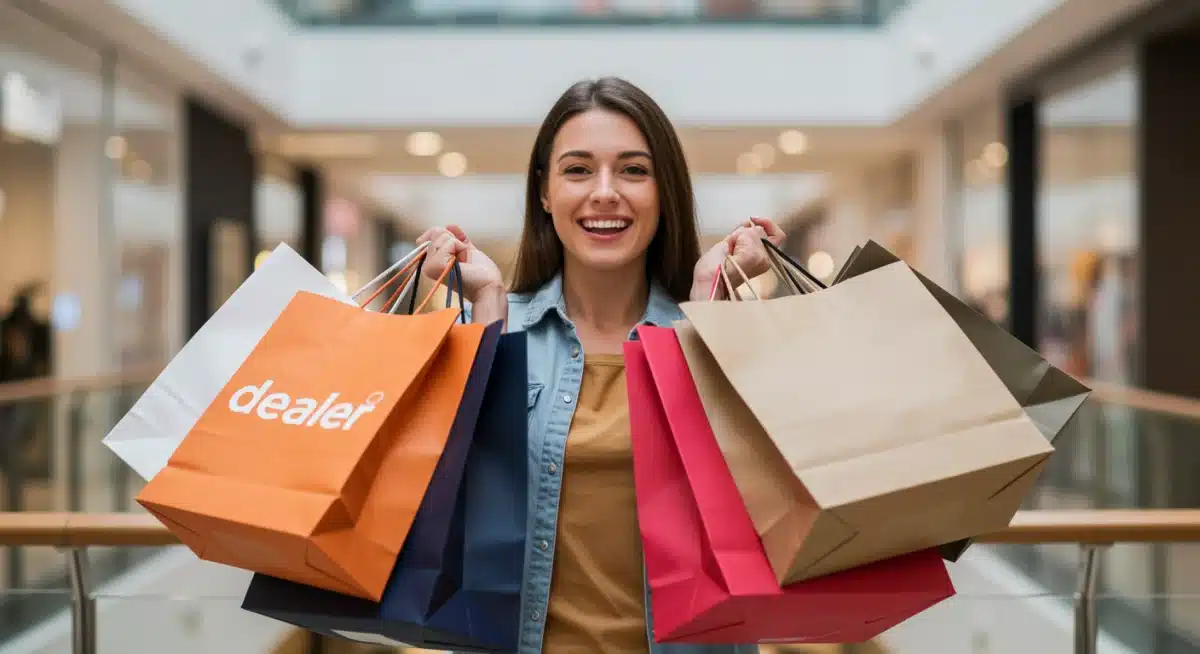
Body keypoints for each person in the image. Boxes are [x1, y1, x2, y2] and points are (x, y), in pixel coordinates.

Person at [416, 77, 784, 654]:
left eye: (634, 170)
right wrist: (487, 308)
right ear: (544, 192)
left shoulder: (710, 330)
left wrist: (710, 300)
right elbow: (450, 518)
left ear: (665, 192)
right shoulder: (495, 327)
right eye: (579, 170)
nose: (605, 192)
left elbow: (766, 512)